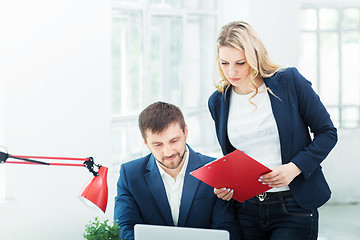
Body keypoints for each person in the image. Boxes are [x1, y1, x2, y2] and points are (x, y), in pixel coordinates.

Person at [208, 21, 338, 240]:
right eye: (224, 63)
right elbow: (233, 157)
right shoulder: (218, 101)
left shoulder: (289, 81)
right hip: (246, 209)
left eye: (240, 62)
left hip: (294, 206)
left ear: (255, 56)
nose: (231, 71)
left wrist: (295, 167)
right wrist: (227, 186)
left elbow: (327, 132)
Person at [114, 101, 241, 240]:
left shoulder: (215, 170)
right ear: (145, 142)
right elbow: (125, 228)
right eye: (158, 144)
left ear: (185, 131)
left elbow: (226, 230)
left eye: (174, 141)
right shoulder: (130, 175)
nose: (168, 152)